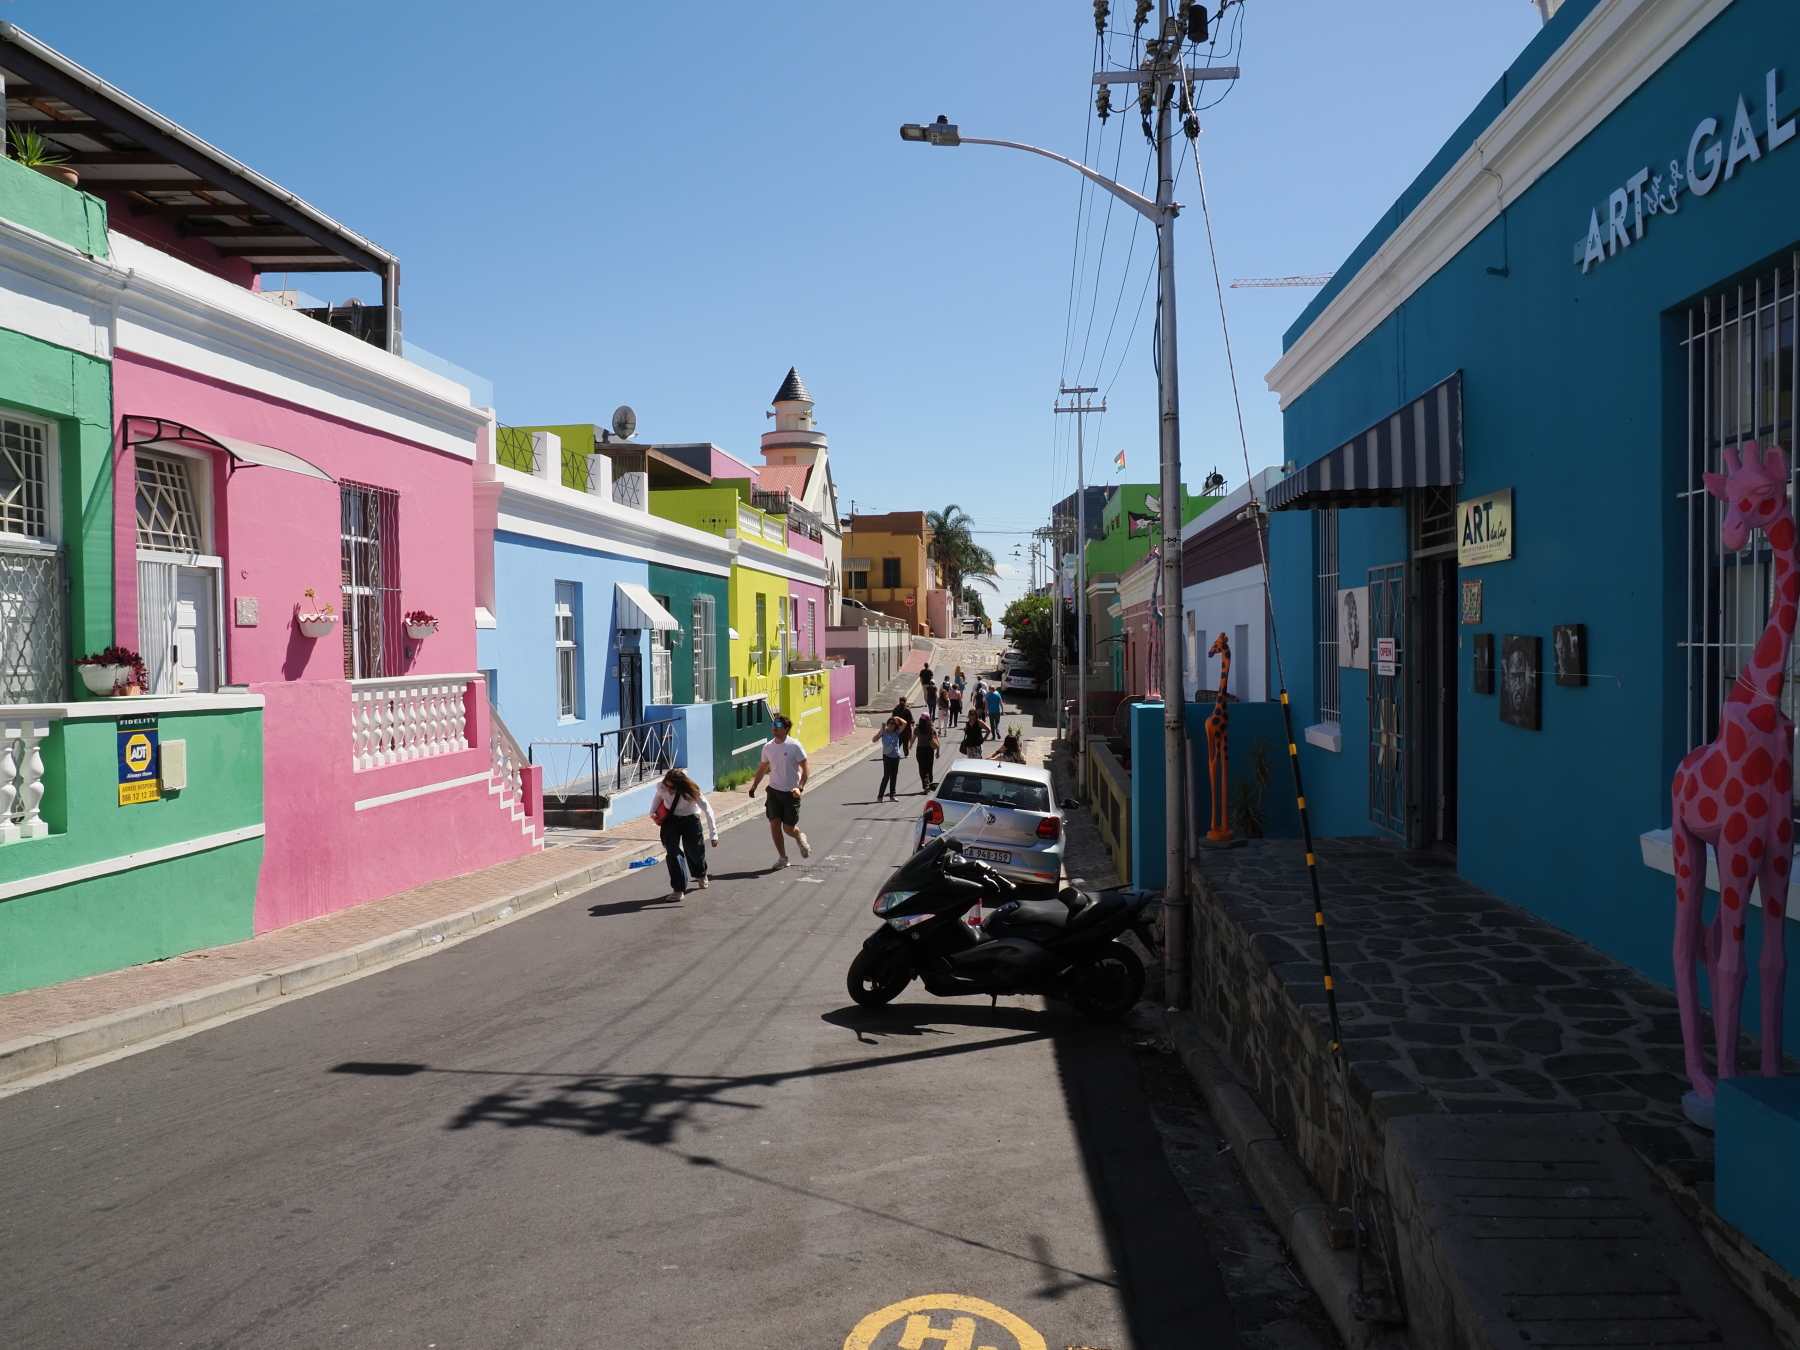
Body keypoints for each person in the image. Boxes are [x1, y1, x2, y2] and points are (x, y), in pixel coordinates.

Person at [747, 713, 810, 867]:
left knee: (788, 828)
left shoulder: (794, 746)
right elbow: (763, 768)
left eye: (779, 725)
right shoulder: (768, 747)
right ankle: (783, 858)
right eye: (773, 724)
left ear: (786, 728)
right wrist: (755, 785)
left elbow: (806, 768)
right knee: (774, 822)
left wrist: (800, 787)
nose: (774, 727)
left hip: (791, 792)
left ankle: (799, 838)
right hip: (774, 791)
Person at [651, 768, 718, 900]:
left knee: (695, 851)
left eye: (672, 787)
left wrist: (713, 834)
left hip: (690, 820)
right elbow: (658, 796)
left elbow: (708, 810)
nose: (668, 790)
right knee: (673, 854)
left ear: (680, 786)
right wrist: (652, 812)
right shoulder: (662, 786)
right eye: (666, 786)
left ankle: (701, 874)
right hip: (671, 821)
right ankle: (678, 889)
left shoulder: (691, 792)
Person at [873, 716, 905, 801]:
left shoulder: (896, 732)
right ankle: (880, 796)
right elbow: (874, 740)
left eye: (892, 724)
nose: (890, 725)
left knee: (894, 776)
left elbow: (905, 723)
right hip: (887, 756)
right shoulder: (884, 733)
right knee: (886, 776)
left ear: (895, 725)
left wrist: (897, 717)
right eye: (889, 723)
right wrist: (881, 730)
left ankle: (892, 795)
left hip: (896, 755)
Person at [913, 712, 940, 792]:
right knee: (929, 766)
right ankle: (930, 782)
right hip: (930, 749)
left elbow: (913, 738)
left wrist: (910, 745)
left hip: (920, 749)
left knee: (922, 768)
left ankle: (926, 785)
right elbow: (937, 741)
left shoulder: (917, 729)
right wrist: (938, 751)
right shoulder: (932, 729)